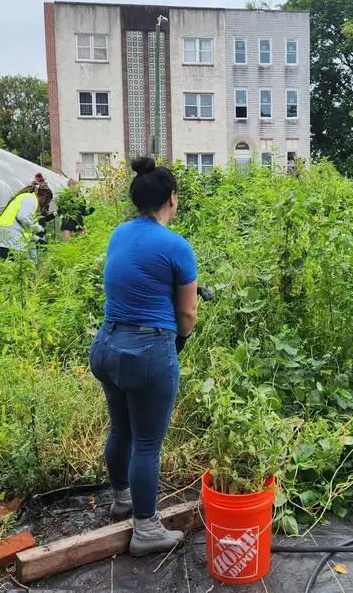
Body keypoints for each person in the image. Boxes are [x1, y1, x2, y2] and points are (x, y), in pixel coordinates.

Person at [88, 157, 198, 556]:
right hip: (146, 353)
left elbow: (135, 280)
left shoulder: (119, 233)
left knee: (121, 430)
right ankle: (147, 530)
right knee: (147, 444)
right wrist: (180, 340)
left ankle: (122, 499)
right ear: (172, 198)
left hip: (106, 347)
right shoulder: (177, 246)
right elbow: (187, 314)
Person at [0, 181, 50, 261]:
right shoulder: (31, 199)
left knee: (5, 264)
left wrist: (37, 239)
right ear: (43, 198)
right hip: (11, 238)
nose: (44, 206)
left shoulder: (25, 197)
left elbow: (20, 226)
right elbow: (23, 218)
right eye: (46, 202)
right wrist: (38, 229)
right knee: (16, 264)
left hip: (4, 235)